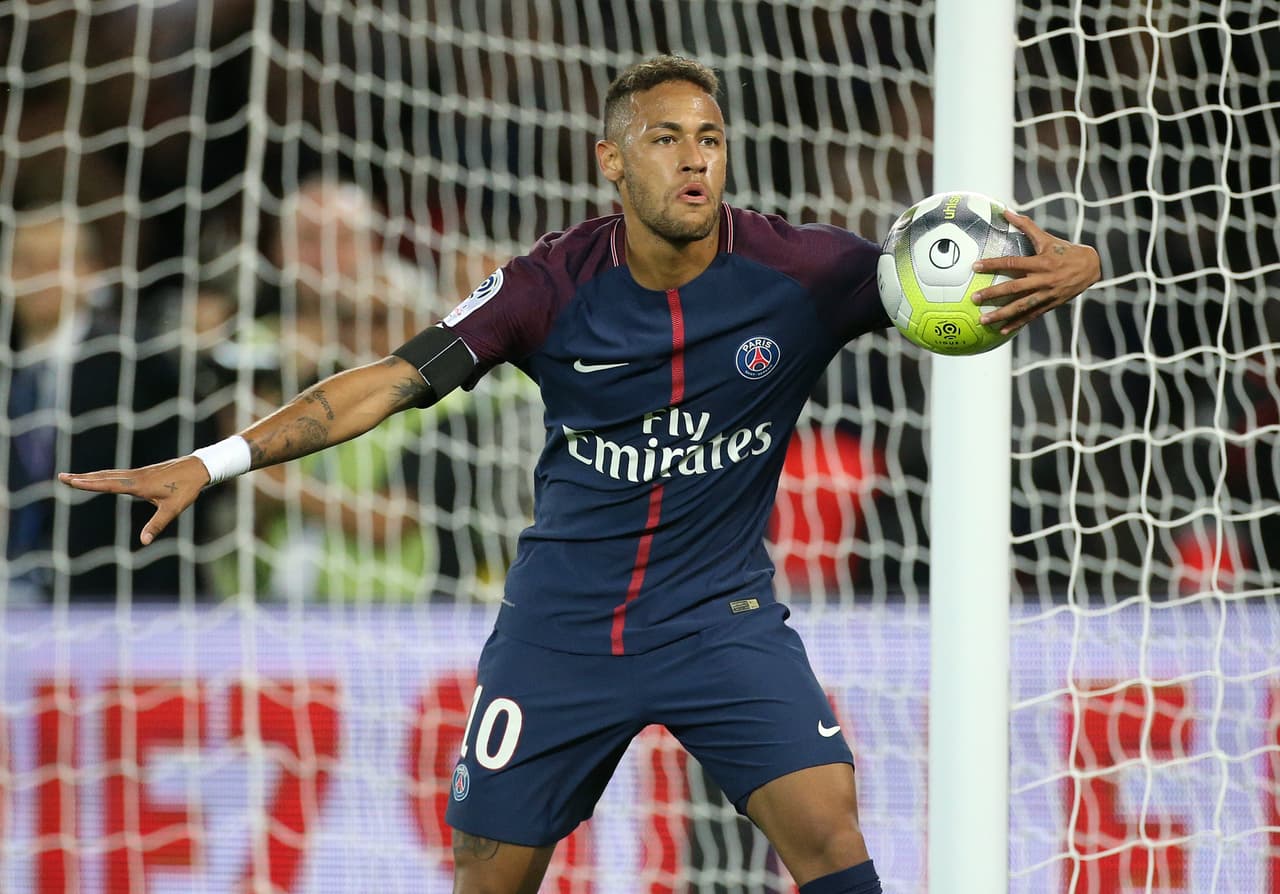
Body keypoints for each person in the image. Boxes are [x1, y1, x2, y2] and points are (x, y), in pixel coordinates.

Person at [61, 55, 1101, 891]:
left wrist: (1078, 266)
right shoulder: (545, 287)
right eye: (663, 140)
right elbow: (382, 383)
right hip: (562, 632)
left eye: (709, 139)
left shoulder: (805, 273)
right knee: (486, 872)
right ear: (610, 159)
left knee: (827, 830)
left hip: (719, 619)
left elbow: (954, 275)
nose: (693, 161)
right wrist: (216, 458)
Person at [7, 204, 215, 600]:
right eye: (25, 263)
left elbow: (187, 486)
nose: (38, 278)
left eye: (55, 263)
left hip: (120, 599)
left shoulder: (142, 363)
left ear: (90, 272)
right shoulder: (10, 367)